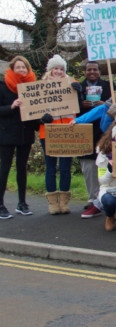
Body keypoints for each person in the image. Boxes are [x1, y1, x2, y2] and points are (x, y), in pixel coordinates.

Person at [40, 54, 82, 215]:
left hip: (67, 131)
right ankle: (52, 203)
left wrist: (80, 92)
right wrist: (42, 119)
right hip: (49, 131)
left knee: (65, 168)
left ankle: (64, 201)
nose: (58, 71)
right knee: (50, 167)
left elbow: (80, 107)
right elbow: (32, 111)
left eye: (61, 69)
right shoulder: (41, 87)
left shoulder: (72, 84)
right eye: (55, 68)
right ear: (50, 70)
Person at [0, 56, 39, 218]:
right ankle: (1, 204)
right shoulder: (2, 86)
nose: (22, 70)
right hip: (7, 133)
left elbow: (37, 110)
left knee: (22, 168)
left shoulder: (32, 87)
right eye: (19, 67)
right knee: (5, 167)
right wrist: (12, 106)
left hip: (25, 133)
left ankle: (22, 203)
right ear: (12, 68)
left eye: (24, 67)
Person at [77, 61, 113, 219]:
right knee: (88, 166)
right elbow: (71, 109)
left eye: (95, 69)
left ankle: (104, 197)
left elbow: (113, 105)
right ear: (85, 72)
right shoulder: (77, 88)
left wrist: (102, 104)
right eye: (89, 69)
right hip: (84, 132)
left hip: (103, 131)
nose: (92, 72)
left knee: (105, 165)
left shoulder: (108, 85)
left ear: (100, 71)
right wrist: (81, 104)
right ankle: (92, 198)